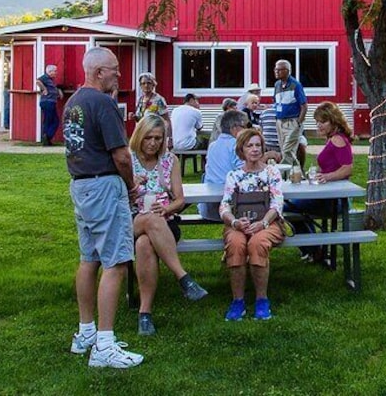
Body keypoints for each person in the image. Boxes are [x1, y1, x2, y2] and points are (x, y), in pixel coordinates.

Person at [62, 47, 143, 368]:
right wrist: (132, 187)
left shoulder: (73, 103)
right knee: (117, 261)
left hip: (80, 184)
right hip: (104, 185)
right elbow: (122, 155)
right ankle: (105, 346)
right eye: (114, 69)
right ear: (98, 73)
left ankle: (85, 333)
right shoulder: (103, 103)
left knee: (89, 259)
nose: (119, 75)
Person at [129, 114, 208, 336]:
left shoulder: (169, 160)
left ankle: (145, 314)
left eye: (158, 138)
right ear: (139, 137)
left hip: (165, 221)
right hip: (133, 219)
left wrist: (167, 209)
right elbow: (116, 198)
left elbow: (180, 200)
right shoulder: (128, 159)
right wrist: (132, 187)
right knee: (147, 223)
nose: (153, 143)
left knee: (145, 244)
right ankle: (183, 278)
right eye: (148, 138)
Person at [219, 129, 285, 321]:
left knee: (257, 244)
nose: (255, 149)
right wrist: (234, 222)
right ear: (241, 150)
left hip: (268, 222)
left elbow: (277, 204)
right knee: (236, 244)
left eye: (258, 145)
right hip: (240, 223)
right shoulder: (234, 175)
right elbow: (224, 205)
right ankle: (237, 300)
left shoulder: (272, 172)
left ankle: (261, 300)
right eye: (250, 145)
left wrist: (263, 223)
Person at [287, 102, 354, 260]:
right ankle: (313, 248)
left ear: (334, 121)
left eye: (322, 122)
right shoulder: (333, 139)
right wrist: (319, 172)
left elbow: (347, 168)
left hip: (334, 199)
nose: (318, 125)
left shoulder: (338, 139)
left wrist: (326, 176)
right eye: (317, 121)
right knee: (292, 206)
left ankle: (312, 249)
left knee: (286, 207)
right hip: (329, 195)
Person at [199, 110, 250, 221]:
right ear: (235, 128)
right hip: (230, 208)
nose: (247, 130)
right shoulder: (237, 146)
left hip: (208, 208)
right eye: (245, 126)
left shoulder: (213, 145)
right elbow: (248, 173)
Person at [273, 59, 307, 167]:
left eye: (279, 70)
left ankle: (282, 175)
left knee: (288, 150)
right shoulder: (277, 85)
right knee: (285, 151)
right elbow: (276, 102)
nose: (276, 71)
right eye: (275, 69)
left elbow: (304, 106)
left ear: (287, 71)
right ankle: (297, 174)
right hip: (279, 122)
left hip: (292, 121)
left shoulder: (295, 85)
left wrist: (298, 123)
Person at [36, 64, 64, 146]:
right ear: (49, 71)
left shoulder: (51, 80)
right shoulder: (45, 77)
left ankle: (47, 138)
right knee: (52, 121)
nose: (56, 73)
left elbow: (53, 88)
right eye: (55, 71)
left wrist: (58, 91)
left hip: (50, 102)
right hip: (48, 102)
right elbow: (38, 81)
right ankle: (47, 137)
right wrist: (44, 89)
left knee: (51, 120)